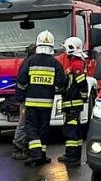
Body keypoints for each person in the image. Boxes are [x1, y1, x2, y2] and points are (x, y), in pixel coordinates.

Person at [15, 31, 68, 166]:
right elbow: (61, 82)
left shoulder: (30, 61)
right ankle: (42, 154)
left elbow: (21, 81)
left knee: (31, 128)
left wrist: (20, 97)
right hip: (47, 103)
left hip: (31, 102)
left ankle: (35, 154)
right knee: (44, 128)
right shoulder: (55, 63)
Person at [57, 36, 88, 166]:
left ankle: (72, 157)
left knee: (71, 130)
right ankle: (73, 155)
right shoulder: (75, 63)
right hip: (71, 103)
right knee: (74, 130)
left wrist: (83, 95)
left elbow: (82, 84)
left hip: (72, 104)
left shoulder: (77, 64)